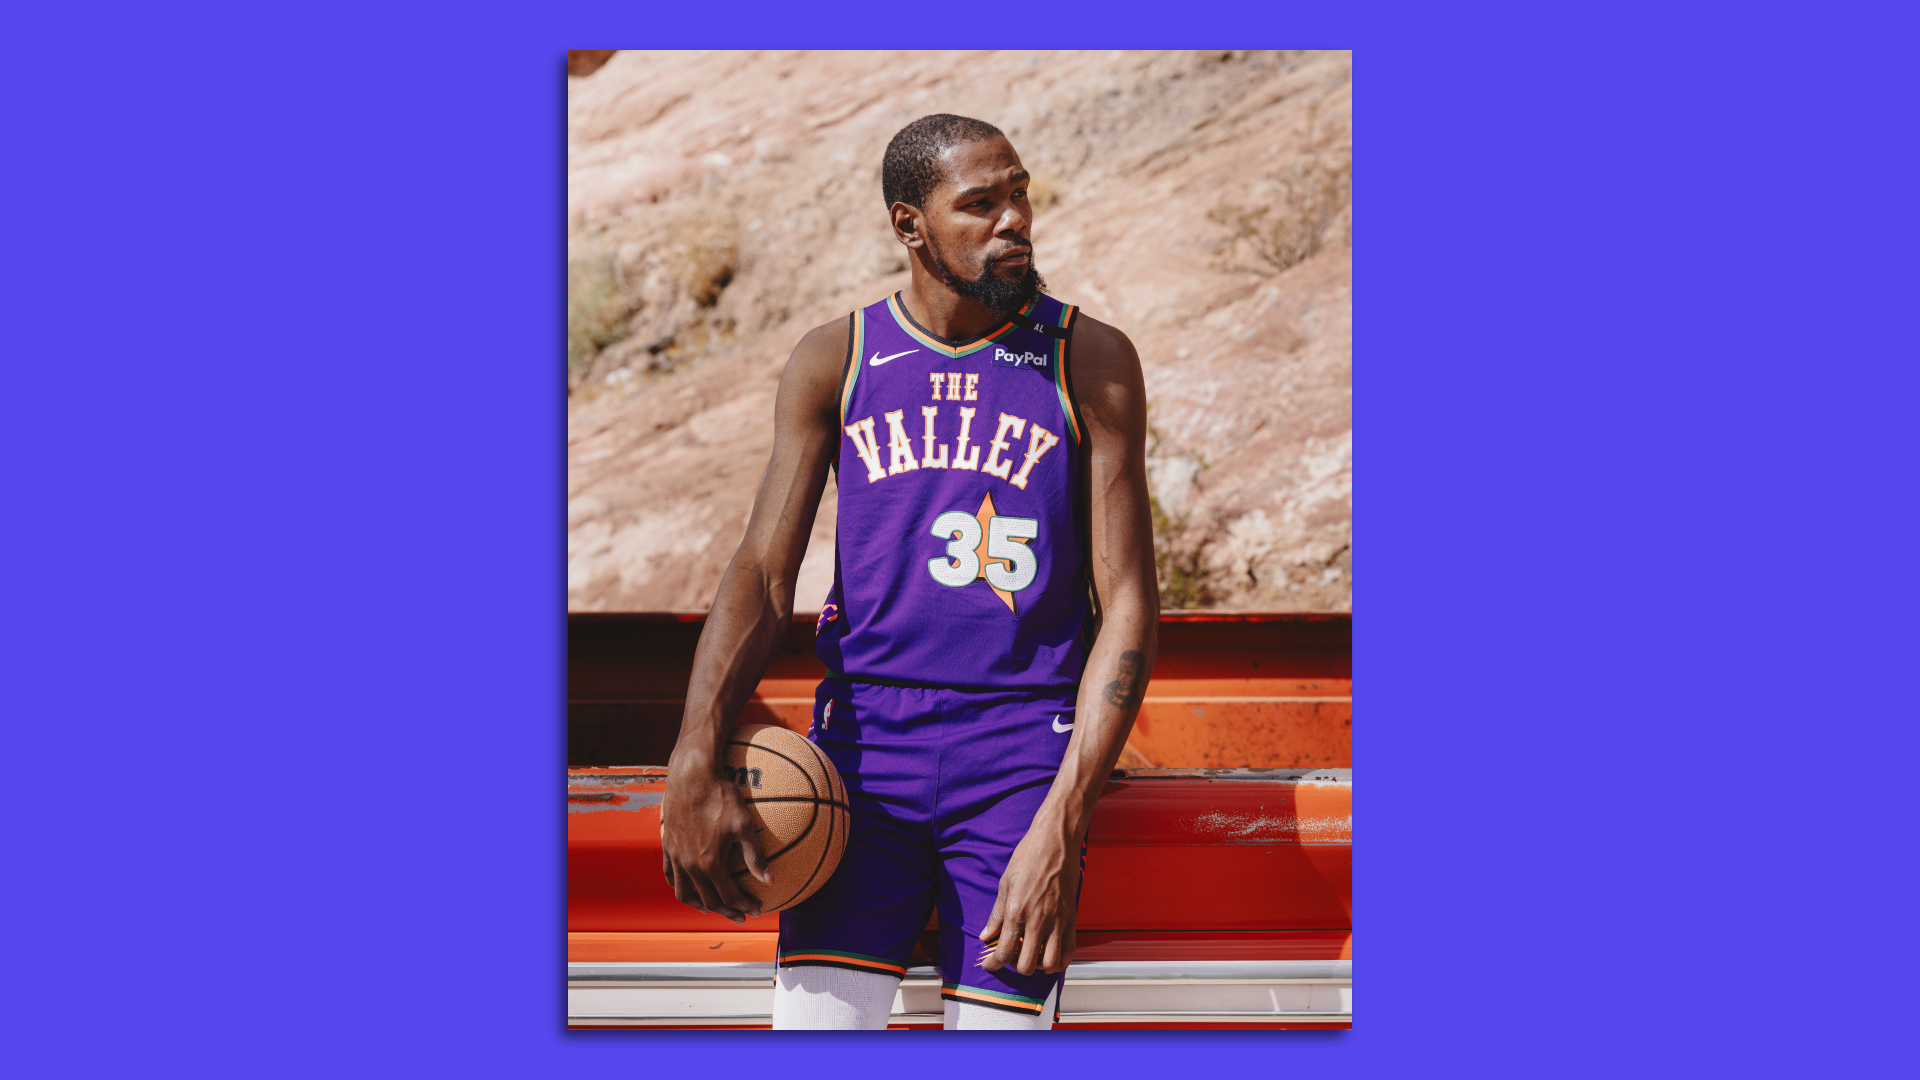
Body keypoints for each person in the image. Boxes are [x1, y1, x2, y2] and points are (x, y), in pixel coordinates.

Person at [658, 113, 1157, 1031]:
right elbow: (765, 572)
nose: (1014, 220)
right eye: (979, 204)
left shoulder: (1089, 359)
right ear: (909, 225)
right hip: (862, 751)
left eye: (1020, 194)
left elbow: (1127, 603)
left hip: (1021, 756)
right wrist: (695, 754)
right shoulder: (837, 358)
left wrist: (1065, 817)